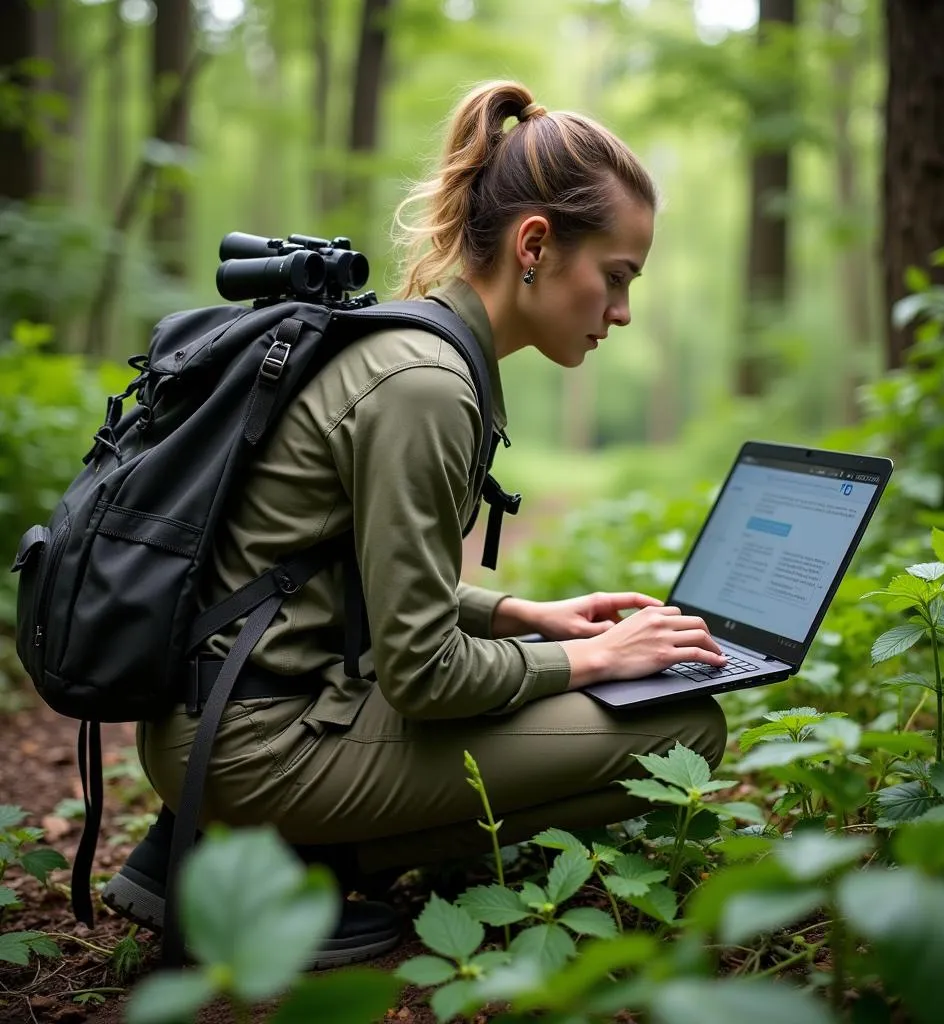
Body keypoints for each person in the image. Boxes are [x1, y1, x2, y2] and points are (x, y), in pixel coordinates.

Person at [102, 80, 727, 967]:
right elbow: (424, 675)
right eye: (618, 277)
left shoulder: (410, 346)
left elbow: (332, 564)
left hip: (215, 718)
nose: (622, 312)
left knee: (629, 695)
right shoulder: (428, 388)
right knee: (687, 729)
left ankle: (218, 851)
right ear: (536, 244)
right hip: (254, 746)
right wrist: (590, 658)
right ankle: (269, 872)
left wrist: (518, 617)